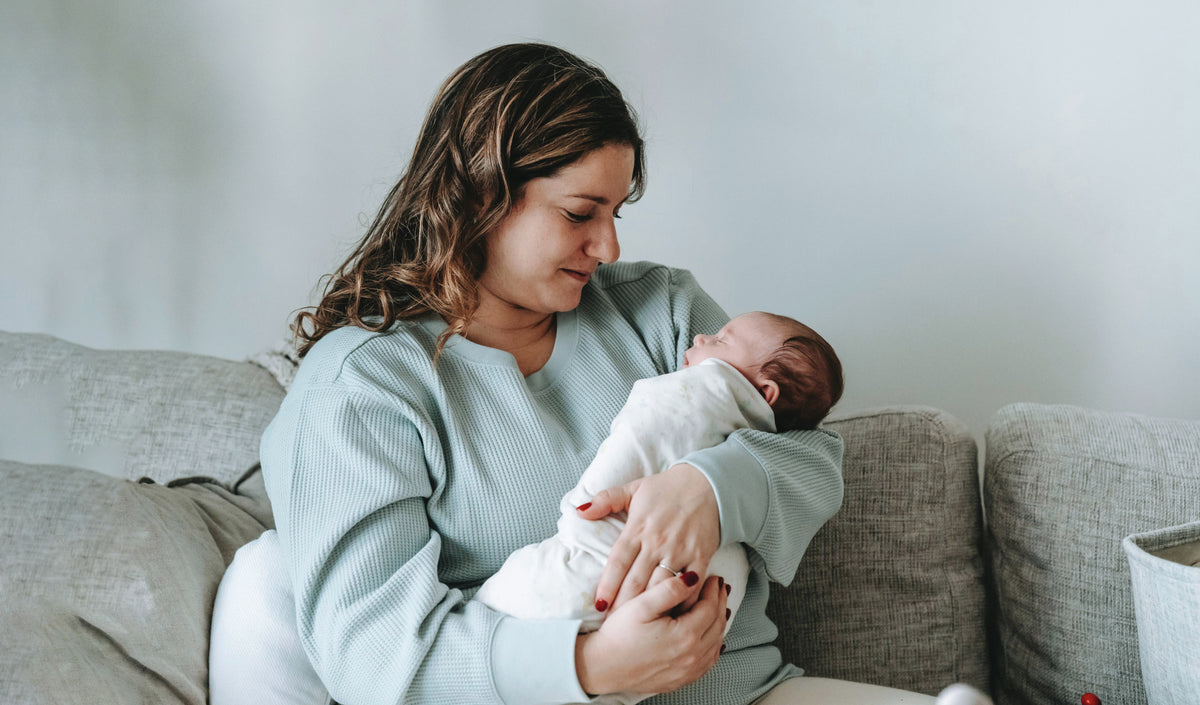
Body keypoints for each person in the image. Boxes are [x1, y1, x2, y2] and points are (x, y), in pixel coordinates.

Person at [211, 42, 955, 705]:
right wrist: (590, 664)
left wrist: (714, 489)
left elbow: (813, 455)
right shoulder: (367, 387)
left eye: (616, 211)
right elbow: (374, 652)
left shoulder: (661, 311)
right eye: (579, 213)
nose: (606, 245)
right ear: (480, 195)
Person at [476, 311, 842, 642]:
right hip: (545, 665)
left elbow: (822, 459)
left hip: (727, 669)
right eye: (575, 229)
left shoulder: (678, 332)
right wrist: (596, 666)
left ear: (764, 393)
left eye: (720, 339)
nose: (700, 339)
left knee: (506, 592)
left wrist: (708, 486)